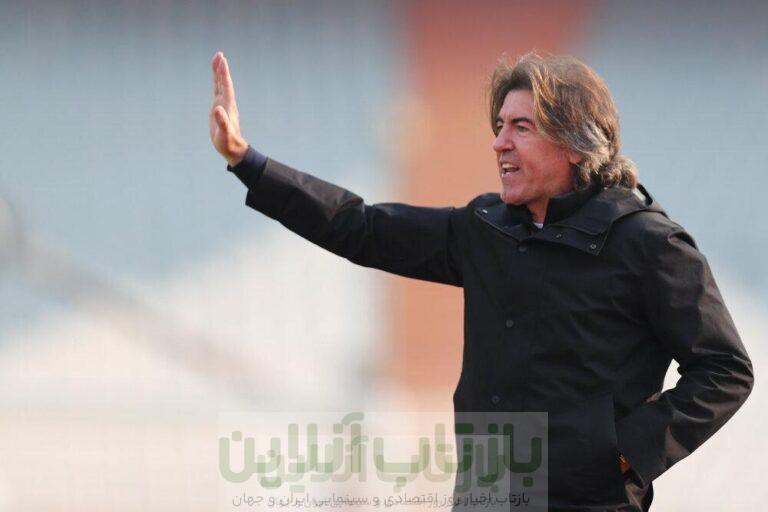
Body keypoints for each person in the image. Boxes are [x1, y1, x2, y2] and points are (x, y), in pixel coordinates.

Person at [209, 51, 753, 510]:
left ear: (575, 143)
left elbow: (725, 369)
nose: (499, 143)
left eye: (521, 127)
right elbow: (362, 227)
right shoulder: (485, 227)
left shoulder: (648, 243)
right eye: (499, 127)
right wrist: (247, 162)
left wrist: (625, 451)